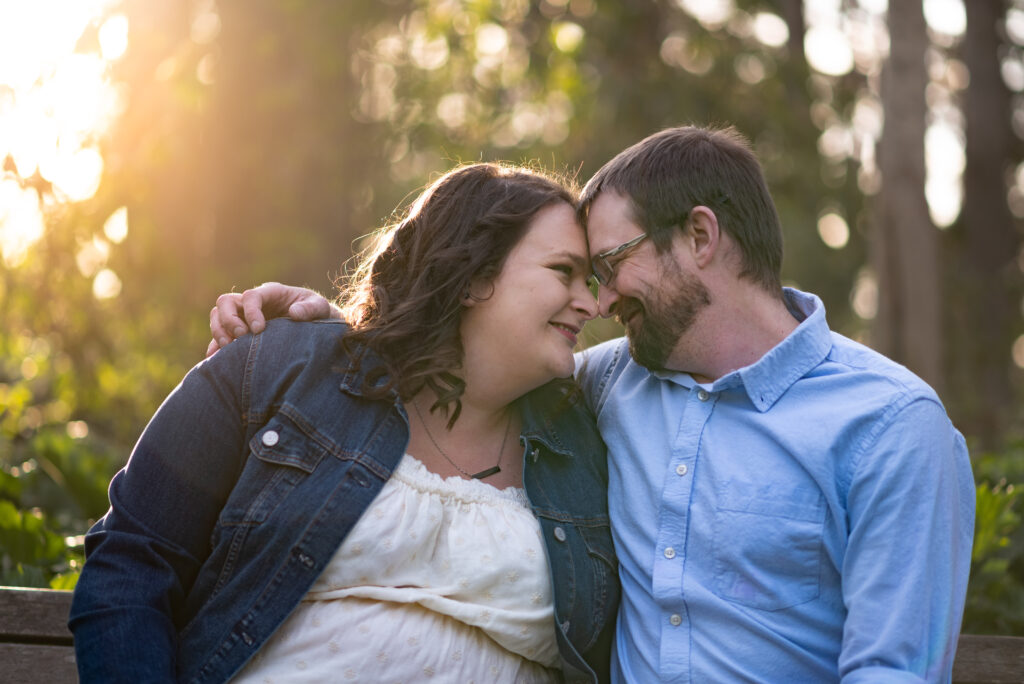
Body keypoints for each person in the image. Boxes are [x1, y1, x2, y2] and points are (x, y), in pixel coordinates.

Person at [214, 125, 976, 683]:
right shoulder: (602, 384)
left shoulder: (889, 428)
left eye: (610, 266)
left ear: (700, 235)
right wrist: (334, 329)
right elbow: (466, 358)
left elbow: (893, 674)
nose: (601, 301)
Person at [69, 162, 620, 683]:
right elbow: (134, 560)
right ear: (473, 275)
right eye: (563, 272)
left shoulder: (593, 435)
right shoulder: (280, 369)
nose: (590, 305)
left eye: (590, 281)